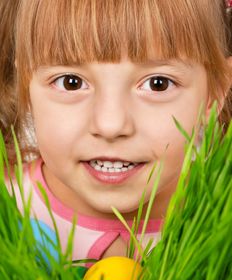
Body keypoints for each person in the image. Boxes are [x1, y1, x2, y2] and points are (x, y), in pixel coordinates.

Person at [0, 0, 231, 265]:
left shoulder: (220, 217)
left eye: (158, 84)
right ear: (25, 85)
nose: (110, 125)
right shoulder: (7, 204)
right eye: (71, 82)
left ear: (215, 92)